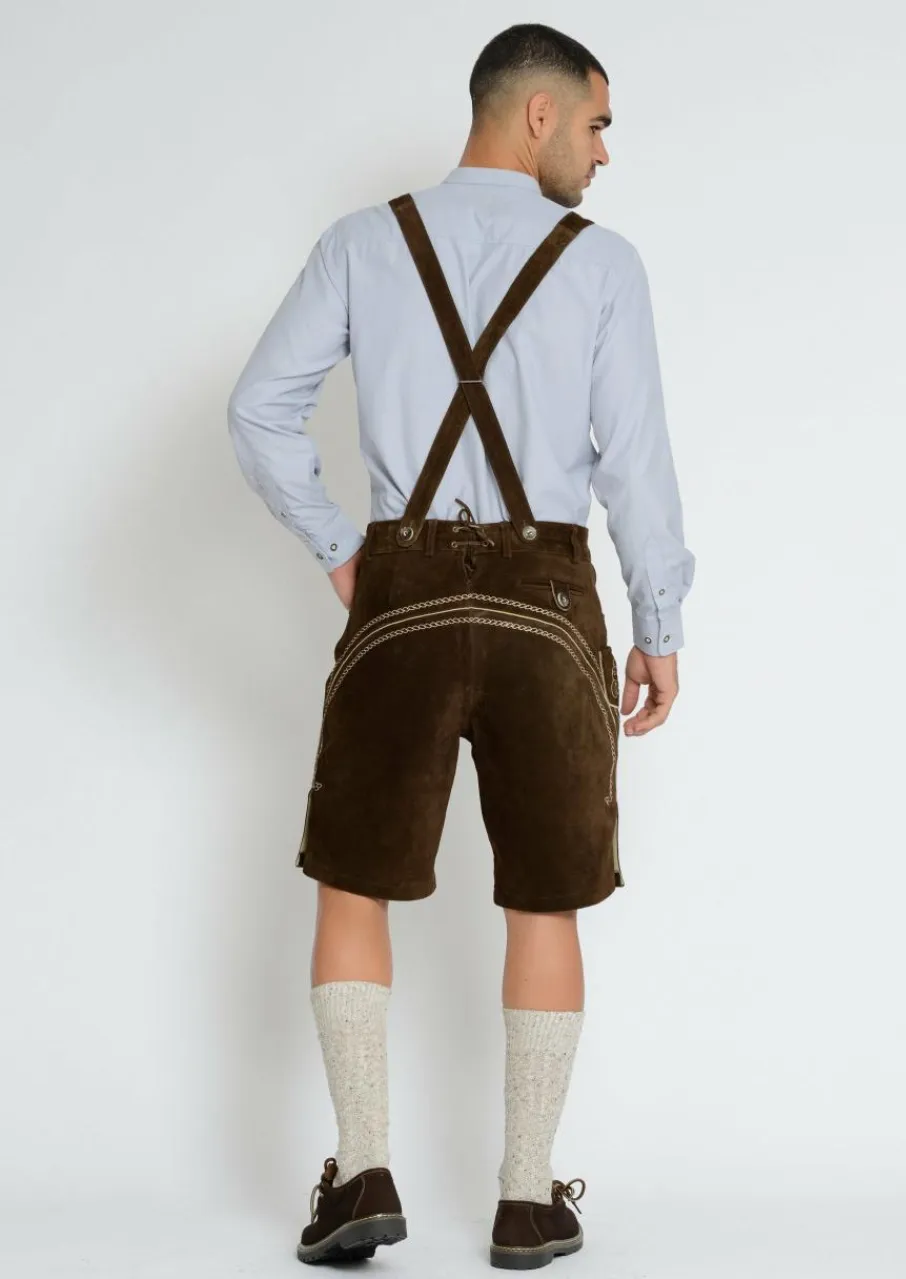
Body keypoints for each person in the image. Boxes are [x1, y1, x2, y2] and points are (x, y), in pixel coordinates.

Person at [227, 20, 695, 1271]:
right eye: (595, 124)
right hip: (549, 601)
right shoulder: (603, 266)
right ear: (537, 115)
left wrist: (346, 551)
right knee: (546, 894)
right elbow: (635, 465)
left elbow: (258, 408)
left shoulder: (361, 242)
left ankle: (361, 1175)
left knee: (354, 878)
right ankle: (528, 1199)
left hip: (404, 593)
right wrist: (657, 623)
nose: (603, 153)